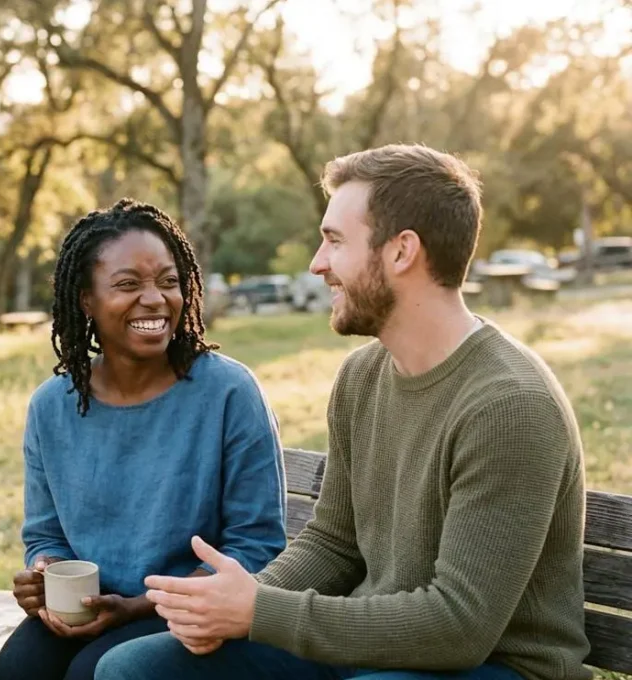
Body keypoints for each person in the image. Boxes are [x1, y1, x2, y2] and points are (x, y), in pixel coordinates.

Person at [95, 144, 591, 680]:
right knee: (135, 669)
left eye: (334, 241)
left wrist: (260, 611)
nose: (317, 263)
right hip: (372, 647)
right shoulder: (363, 376)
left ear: (402, 252)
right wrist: (229, 603)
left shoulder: (509, 406)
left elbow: (459, 625)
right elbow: (335, 542)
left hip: (497, 667)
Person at [0, 199, 288, 680]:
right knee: (19, 668)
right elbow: (47, 535)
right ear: (86, 299)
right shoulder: (52, 406)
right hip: (90, 607)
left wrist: (138, 604)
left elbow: (255, 544)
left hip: (189, 611)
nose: (154, 299)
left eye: (168, 282)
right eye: (128, 284)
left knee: (94, 672)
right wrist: (44, 575)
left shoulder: (229, 392)